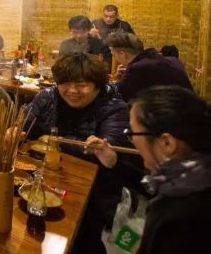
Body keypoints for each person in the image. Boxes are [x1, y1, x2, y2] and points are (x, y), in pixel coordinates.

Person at [86, 86, 211, 254]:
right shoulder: (192, 176)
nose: (132, 140)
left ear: (167, 143)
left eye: (134, 133)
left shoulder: (183, 219)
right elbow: (152, 189)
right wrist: (114, 163)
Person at [27, 53, 130, 254]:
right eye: (65, 83)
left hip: (92, 192)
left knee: (82, 243)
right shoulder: (47, 97)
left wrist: (56, 142)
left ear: (97, 85)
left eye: (82, 85)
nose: (72, 91)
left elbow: (111, 153)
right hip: (45, 180)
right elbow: (25, 122)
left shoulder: (113, 107)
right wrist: (16, 129)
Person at [106, 32, 192, 102]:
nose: (115, 58)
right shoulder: (171, 60)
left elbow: (116, 94)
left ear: (122, 54)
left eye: (114, 55)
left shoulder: (137, 68)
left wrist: (116, 79)